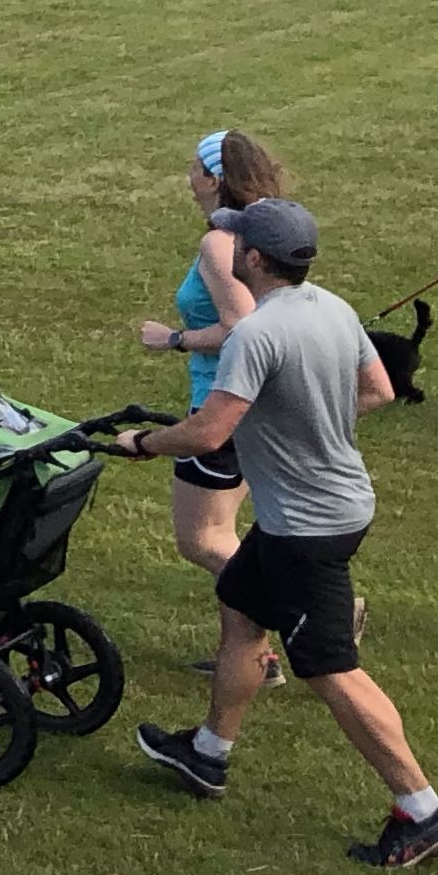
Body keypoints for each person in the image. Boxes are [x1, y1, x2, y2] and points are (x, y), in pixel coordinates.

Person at [120, 199, 438, 868]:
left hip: (308, 528)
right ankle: (208, 753)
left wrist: (141, 441)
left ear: (252, 259)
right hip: (321, 508)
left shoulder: (257, 333)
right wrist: (307, 423)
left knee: (331, 668)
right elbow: (378, 390)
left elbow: (209, 431)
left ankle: (425, 811)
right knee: (241, 608)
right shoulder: (334, 308)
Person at [135, 131, 289, 581]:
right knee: (224, 532)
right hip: (256, 400)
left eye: (194, 166)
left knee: (204, 538)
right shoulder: (265, 228)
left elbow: (242, 328)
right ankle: (249, 652)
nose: (188, 174)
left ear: (211, 180)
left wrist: (174, 339)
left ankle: (319, 617)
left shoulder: (221, 243)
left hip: (222, 400)